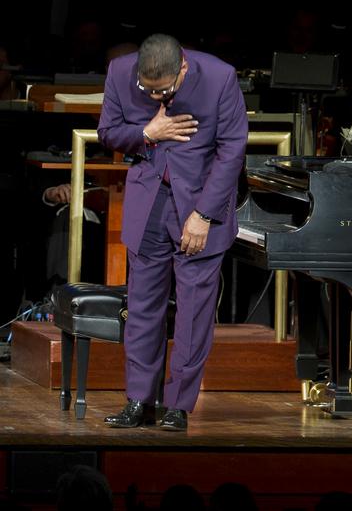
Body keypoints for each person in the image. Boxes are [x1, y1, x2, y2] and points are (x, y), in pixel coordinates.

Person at [98, 34, 248, 430]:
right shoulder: (118, 72)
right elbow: (108, 132)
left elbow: (232, 148)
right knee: (143, 308)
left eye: (161, 90)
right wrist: (148, 133)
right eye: (146, 90)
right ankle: (138, 400)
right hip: (149, 203)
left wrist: (204, 214)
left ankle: (178, 405)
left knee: (194, 311)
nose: (154, 97)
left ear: (182, 67)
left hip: (198, 206)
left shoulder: (219, 77)